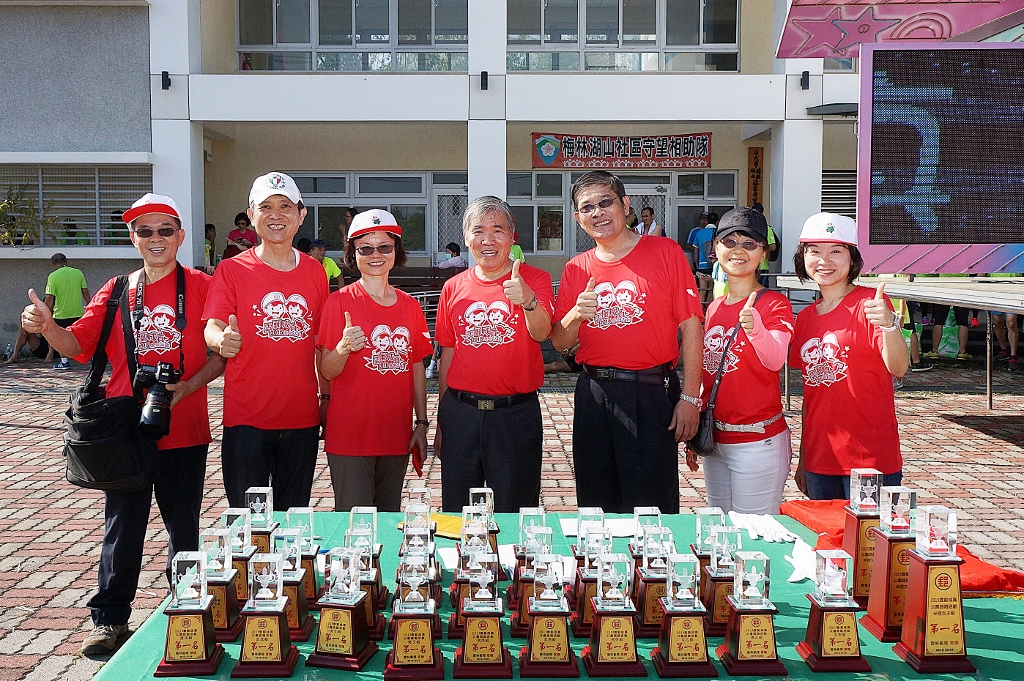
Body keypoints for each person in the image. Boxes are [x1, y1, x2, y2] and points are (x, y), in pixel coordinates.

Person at [20, 193, 225, 655]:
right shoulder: (115, 290)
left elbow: (221, 354)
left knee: (183, 529)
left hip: (185, 425)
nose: (156, 239)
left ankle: (186, 610)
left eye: (165, 230)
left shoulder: (202, 285)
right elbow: (78, 345)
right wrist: (47, 326)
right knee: (122, 526)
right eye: (145, 231)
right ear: (132, 238)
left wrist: (188, 387)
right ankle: (110, 621)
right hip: (124, 428)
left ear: (180, 236)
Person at [552, 171, 704, 514]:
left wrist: (691, 398)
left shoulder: (665, 252)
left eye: (606, 202)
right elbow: (560, 341)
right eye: (587, 207)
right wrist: (576, 313)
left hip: (650, 391)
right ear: (578, 218)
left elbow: (692, 326)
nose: (598, 213)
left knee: (651, 507)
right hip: (593, 393)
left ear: (625, 205)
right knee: (595, 505)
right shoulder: (576, 268)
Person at [204, 172, 329, 511]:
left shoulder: (315, 272)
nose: (276, 215)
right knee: (248, 524)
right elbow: (213, 325)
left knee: (294, 521)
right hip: (247, 418)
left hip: (301, 418)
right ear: (252, 214)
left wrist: (326, 397)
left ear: (301, 216)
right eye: (267, 207)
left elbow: (321, 342)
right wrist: (220, 340)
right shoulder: (231, 270)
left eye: (285, 206)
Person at [433, 196, 554, 513]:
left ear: (513, 236)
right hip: (462, 413)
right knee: (458, 513)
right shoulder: (454, 287)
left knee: (516, 511)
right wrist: (442, 420)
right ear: (466, 238)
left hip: (515, 417)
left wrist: (527, 299)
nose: (488, 240)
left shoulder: (535, 279)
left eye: (497, 230)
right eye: (478, 231)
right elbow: (448, 354)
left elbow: (542, 332)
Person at [318, 210, 432, 511]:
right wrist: (342, 348)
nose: (375, 255)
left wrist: (421, 422)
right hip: (350, 436)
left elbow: (417, 367)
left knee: (388, 523)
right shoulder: (339, 302)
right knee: (357, 527)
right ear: (353, 255)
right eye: (365, 248)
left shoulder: (410, 306)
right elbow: (326, 370)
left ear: (396, 250)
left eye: (384, 246)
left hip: (395, 433)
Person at [790, 213, 908, 500]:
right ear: (803, 258)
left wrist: (889, 324)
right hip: (821, 458)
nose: (824, 260)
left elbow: (899, 367)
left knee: (869, 543)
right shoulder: (804, 318)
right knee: (826, 543)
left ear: (852, 259)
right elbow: (811, 397)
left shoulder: (870, 303)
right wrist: (805, 457)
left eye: (836, 252)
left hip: (870, 459)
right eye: (814, 251)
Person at [692, 208, 794, 514]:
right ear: (715, 250)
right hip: (716, 442)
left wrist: (756, 328)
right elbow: (709, 375)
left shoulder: (774, 302)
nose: (739, 250)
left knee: (754, 537)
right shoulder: (715, 306)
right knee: (721, 533)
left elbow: (776, 359)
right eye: (730, 241)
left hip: (757, 443)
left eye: (750, 244)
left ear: (763, 253)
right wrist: (697, 433)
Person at [45, 253, 90, 369]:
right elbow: (85, 291)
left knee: (60, 339)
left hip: (61, 313)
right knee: (80, 337)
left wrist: (44, 309)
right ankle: (88, 357)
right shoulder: (78, 273)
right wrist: (90, 305)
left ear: (53, 264)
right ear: (66, 262)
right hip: (77, 312)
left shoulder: (53, 276)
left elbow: (49, 296)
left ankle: (64, 362)